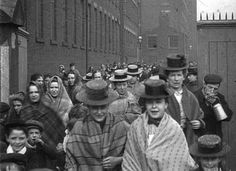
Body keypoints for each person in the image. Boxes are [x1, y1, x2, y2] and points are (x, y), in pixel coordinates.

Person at [122, 78, 196, 171]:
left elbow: (179, 161)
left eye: (158, 102)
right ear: (145, 104)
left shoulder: (174, 129)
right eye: (150, 102)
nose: (154, 106)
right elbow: (130, 158)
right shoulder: (136, 127)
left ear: (166, 104)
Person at [65, 79, 129, 171]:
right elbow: (70, 157)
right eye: (95, 107)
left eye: (103, 107)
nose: (99, 112)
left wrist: (118, 160)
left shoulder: (120, 125)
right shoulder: (79, 127)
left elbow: (135, 151)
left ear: (108, 105)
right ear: (88, 106)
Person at [164, 54, 205, 145]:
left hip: (188, 138)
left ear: (184, 77)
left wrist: (199, 123)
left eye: (179, 75)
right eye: (172, 75)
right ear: (167, 78)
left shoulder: (190, 97)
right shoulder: (163, 96)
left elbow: (199, 114)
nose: (176, 79)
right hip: (169, 140)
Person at [20, 82, 65, 147]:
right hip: (27, 149)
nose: (34, 95)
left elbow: (59, 129)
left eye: (36, 92)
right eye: (31, 92)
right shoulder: (23, 112)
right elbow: (20, 131)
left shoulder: (49, 111)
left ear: (40, 93)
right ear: (28, 94)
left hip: (47, 150)